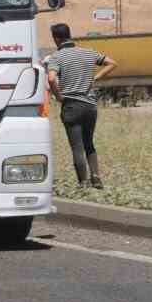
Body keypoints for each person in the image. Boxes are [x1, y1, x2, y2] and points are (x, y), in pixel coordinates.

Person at [43, 23, 117, 187]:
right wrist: (96, 78)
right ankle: (96, 177)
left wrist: (59, 96)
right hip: (90, 106)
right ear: (69, 35)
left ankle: (83, 182)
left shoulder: (56, 57)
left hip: (72, 106)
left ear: (56, 38)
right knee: (89, 143)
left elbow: (50, 78)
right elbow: (112, 63)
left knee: (77, 146)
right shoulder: (88, 52)